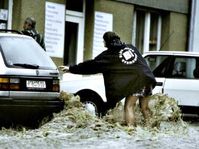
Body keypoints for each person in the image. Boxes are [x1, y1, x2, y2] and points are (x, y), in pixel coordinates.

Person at [60, 31, 156, 126]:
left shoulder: (109, 55)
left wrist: (71, 69)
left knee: (129, 106)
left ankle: (131, 132)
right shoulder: (131, 47)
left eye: (103, 41)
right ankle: (152, 130)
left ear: (107, 42)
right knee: (145, 108)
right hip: (147, 79)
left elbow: (91, 65)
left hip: (137, 82)